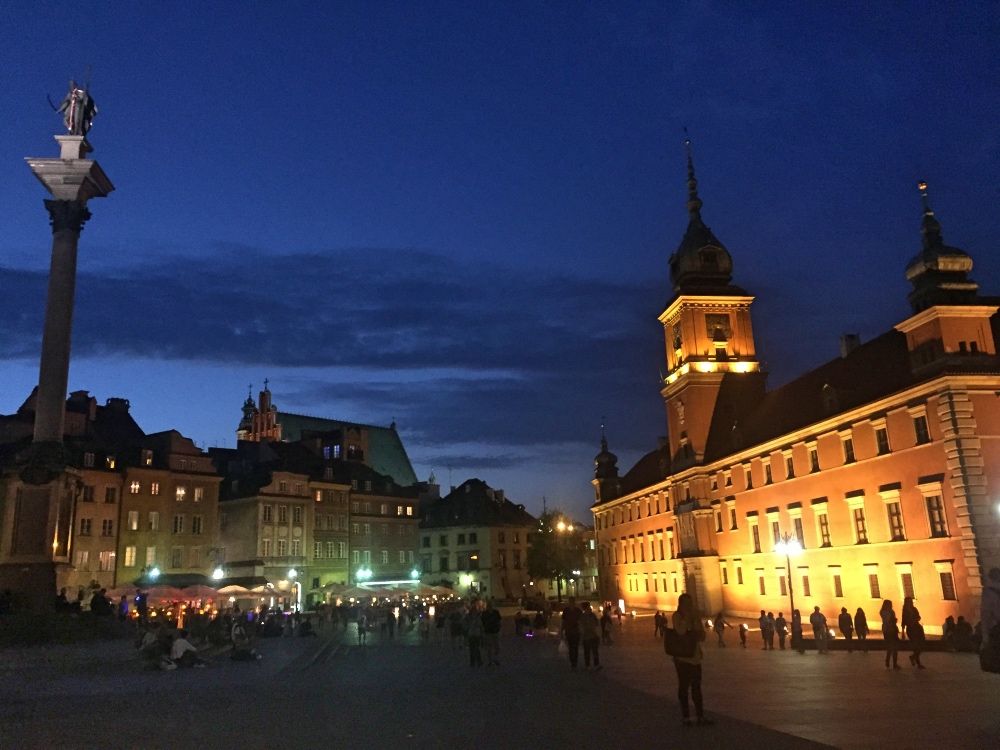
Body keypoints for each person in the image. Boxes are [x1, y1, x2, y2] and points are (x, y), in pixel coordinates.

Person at [672, 593, 712, 726]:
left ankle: (700, 716)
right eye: (686, 603)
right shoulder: (677, 616)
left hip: (695, 657)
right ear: (681, 604)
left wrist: (697, 624)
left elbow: (702, 636)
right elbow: (681, 631)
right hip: (682, 658)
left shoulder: (695, 616)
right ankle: (686, 717)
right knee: (683, 687)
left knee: (697, 687)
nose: (689, 606)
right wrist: (687, 618)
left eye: (690, 603)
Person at [560, 597, 582, 670]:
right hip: (569, 631)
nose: (571, 603)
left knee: (574, 648)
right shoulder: (566, 611)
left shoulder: (577, 611)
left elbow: (581, 621)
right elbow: (563, 621)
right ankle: (573, 662)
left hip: (575, 631)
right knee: (571, 647)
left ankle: (574, 662)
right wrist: (562, 630)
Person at [580, 601, 602, 670]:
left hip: (592, 636)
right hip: (587, 636)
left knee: (594, 651)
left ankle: (595, 664)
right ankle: (588, 665)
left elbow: (597, 623)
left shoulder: (592, 615)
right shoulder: (583, 616)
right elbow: (582, 626)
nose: (589, 608)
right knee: (588, 652)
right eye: (588, 606)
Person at [880, 600, 901, 670]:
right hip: (888, 630)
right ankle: (890, 662)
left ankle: (890, 662)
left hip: (891, 630)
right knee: (891, 647)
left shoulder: (890, 611)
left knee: (893, 647)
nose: (891, 606)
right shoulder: (885, 612)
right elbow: (888, 620)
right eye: (890, 604)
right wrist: (893, 620)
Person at [481, 600, 502, 666]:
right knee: (489, 647)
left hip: (495, 631)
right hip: (488, 631)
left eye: (491, 605)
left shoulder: (496, 612)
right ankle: (490, 660)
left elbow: (499, 620)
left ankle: (495, 659)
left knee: (497, 646)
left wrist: (499, 627)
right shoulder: (484, 613)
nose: (490, 607)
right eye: (489, 605)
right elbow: (482, 622)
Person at [465, 600, 484, 668]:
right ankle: (473, 661)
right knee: (472, 648)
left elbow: (481, 626)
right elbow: (465, 625)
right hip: (471, 634)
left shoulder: (477, 617)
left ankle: (478, 661)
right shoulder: (468, 617)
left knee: (476, 648)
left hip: (476, 634)